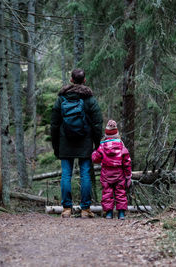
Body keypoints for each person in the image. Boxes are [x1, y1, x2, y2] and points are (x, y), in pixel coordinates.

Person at [51, 68, 103, 218]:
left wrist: (56, 146)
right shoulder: (89, 99)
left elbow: (54, 124)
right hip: (85, 142)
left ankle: (66, 209)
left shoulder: (61, 99)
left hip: (65, 142)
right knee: (85, 174)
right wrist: (97, 144)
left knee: (66, 175)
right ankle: (85, 209)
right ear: (84, 81)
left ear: (71, 80)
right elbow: (97, 123)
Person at [92, 120, 132, 220]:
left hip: (106, 174)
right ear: (116, 133)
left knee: (107, 193)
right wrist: (128, 176)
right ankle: (121, 214)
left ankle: (109, 213)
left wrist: (93, 153)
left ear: (106, 134)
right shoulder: (121, 145)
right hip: (119, 174)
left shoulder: (102, 146)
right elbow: (127, 161)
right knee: (120, 193)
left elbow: (95, 159)